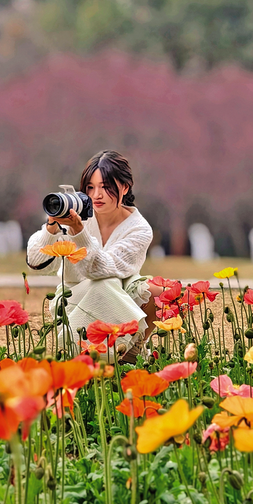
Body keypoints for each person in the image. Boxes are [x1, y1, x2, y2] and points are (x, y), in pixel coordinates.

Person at [27, 150, 162, 363]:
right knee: (104, 285)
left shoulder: (139, 229)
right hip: (73, 296)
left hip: (118, 293)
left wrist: (78, 232)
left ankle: (130, 349)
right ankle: (100, 354)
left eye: (105, 187)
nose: (96, 195)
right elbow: (36, 262)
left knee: (156, 292)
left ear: (125, 187)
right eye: (90, 187)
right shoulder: (75, 213)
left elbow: (99, 270)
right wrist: (51, 227)